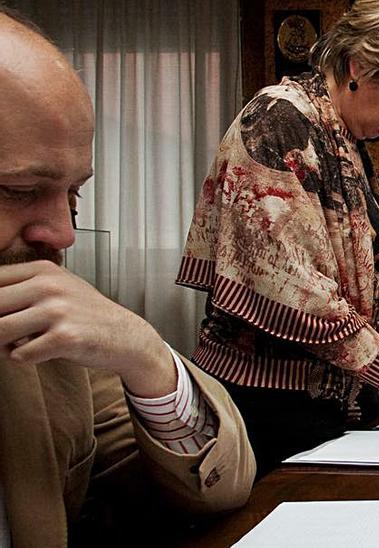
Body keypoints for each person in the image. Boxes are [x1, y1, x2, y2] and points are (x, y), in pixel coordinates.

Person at [176, 0, 379, 475]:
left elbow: (345, 277)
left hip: (315, 395)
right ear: (360, 66)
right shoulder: (280, 120)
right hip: (264, 399)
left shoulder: (344, 141)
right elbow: (286, 287)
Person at [0, 8, 254, 546]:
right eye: (17, 191)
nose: (63, 235)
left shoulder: (38, 336)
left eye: (74, 196)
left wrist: (146, 354)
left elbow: (216, 488)